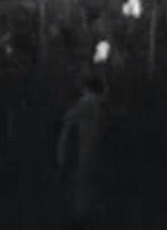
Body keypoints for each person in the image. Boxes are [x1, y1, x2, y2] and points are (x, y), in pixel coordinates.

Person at [58, 73, 108, 229]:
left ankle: (80, 216)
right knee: (88, 182)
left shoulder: (87, 101)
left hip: (82, 146)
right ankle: (86, 213)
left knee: (81, 182)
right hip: (91, 145)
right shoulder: (99, 103)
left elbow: (69, 117)